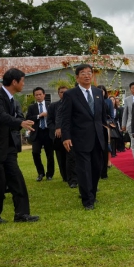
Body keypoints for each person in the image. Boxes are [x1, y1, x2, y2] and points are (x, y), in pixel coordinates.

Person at [0, 68, 39, 223]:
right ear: (14, 82)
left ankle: (22, 214)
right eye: (22, 81)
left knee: (17, 180)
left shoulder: (12, 99)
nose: (23, 84)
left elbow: (11, 118)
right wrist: (20, 122)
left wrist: (20, 121)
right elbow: (1, 116)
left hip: (8, 148)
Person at [61, 64, 110, 210]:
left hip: (97, 137)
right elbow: (66, 118)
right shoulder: (70, 94)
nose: (87, 75)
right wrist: (66, 137)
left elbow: (101, 116)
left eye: (89, 73)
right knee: (84, 170)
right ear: (77, 77)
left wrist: (105, 128)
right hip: (80, 138)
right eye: (83, 73)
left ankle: (92, 195)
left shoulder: (97, 92)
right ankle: (87, 200)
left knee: (96, 168)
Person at [26, 87, 55, 181]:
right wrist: (39, 116)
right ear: (34, 96)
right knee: (35, 153)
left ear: (44, 95)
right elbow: (28, 119)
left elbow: (55, 117)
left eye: (40, 94)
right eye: (36, 95)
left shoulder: (50, 105)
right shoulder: (32, 107)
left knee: (50, 154)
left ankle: (49, 174)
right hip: (37, 133)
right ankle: (40, 173)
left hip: (48, 132)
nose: (38, 96)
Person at [48, 86, 70, 185]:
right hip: (58, 137)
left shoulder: (72, 104)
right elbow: (49, 121)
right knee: (60, 158)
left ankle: (71, 176)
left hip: (70, 135)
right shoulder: (53, 106)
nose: (63, 94)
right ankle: (64, 176)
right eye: (61, 92)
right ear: (58, 93)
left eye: (65, 92)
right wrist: (56, 129)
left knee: (70, 157)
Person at [121, 82, 134, 165]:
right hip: (130, 124)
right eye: (132, 88)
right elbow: (125, 113)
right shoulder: (127, 99)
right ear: (130, 89)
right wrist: (123, 124)